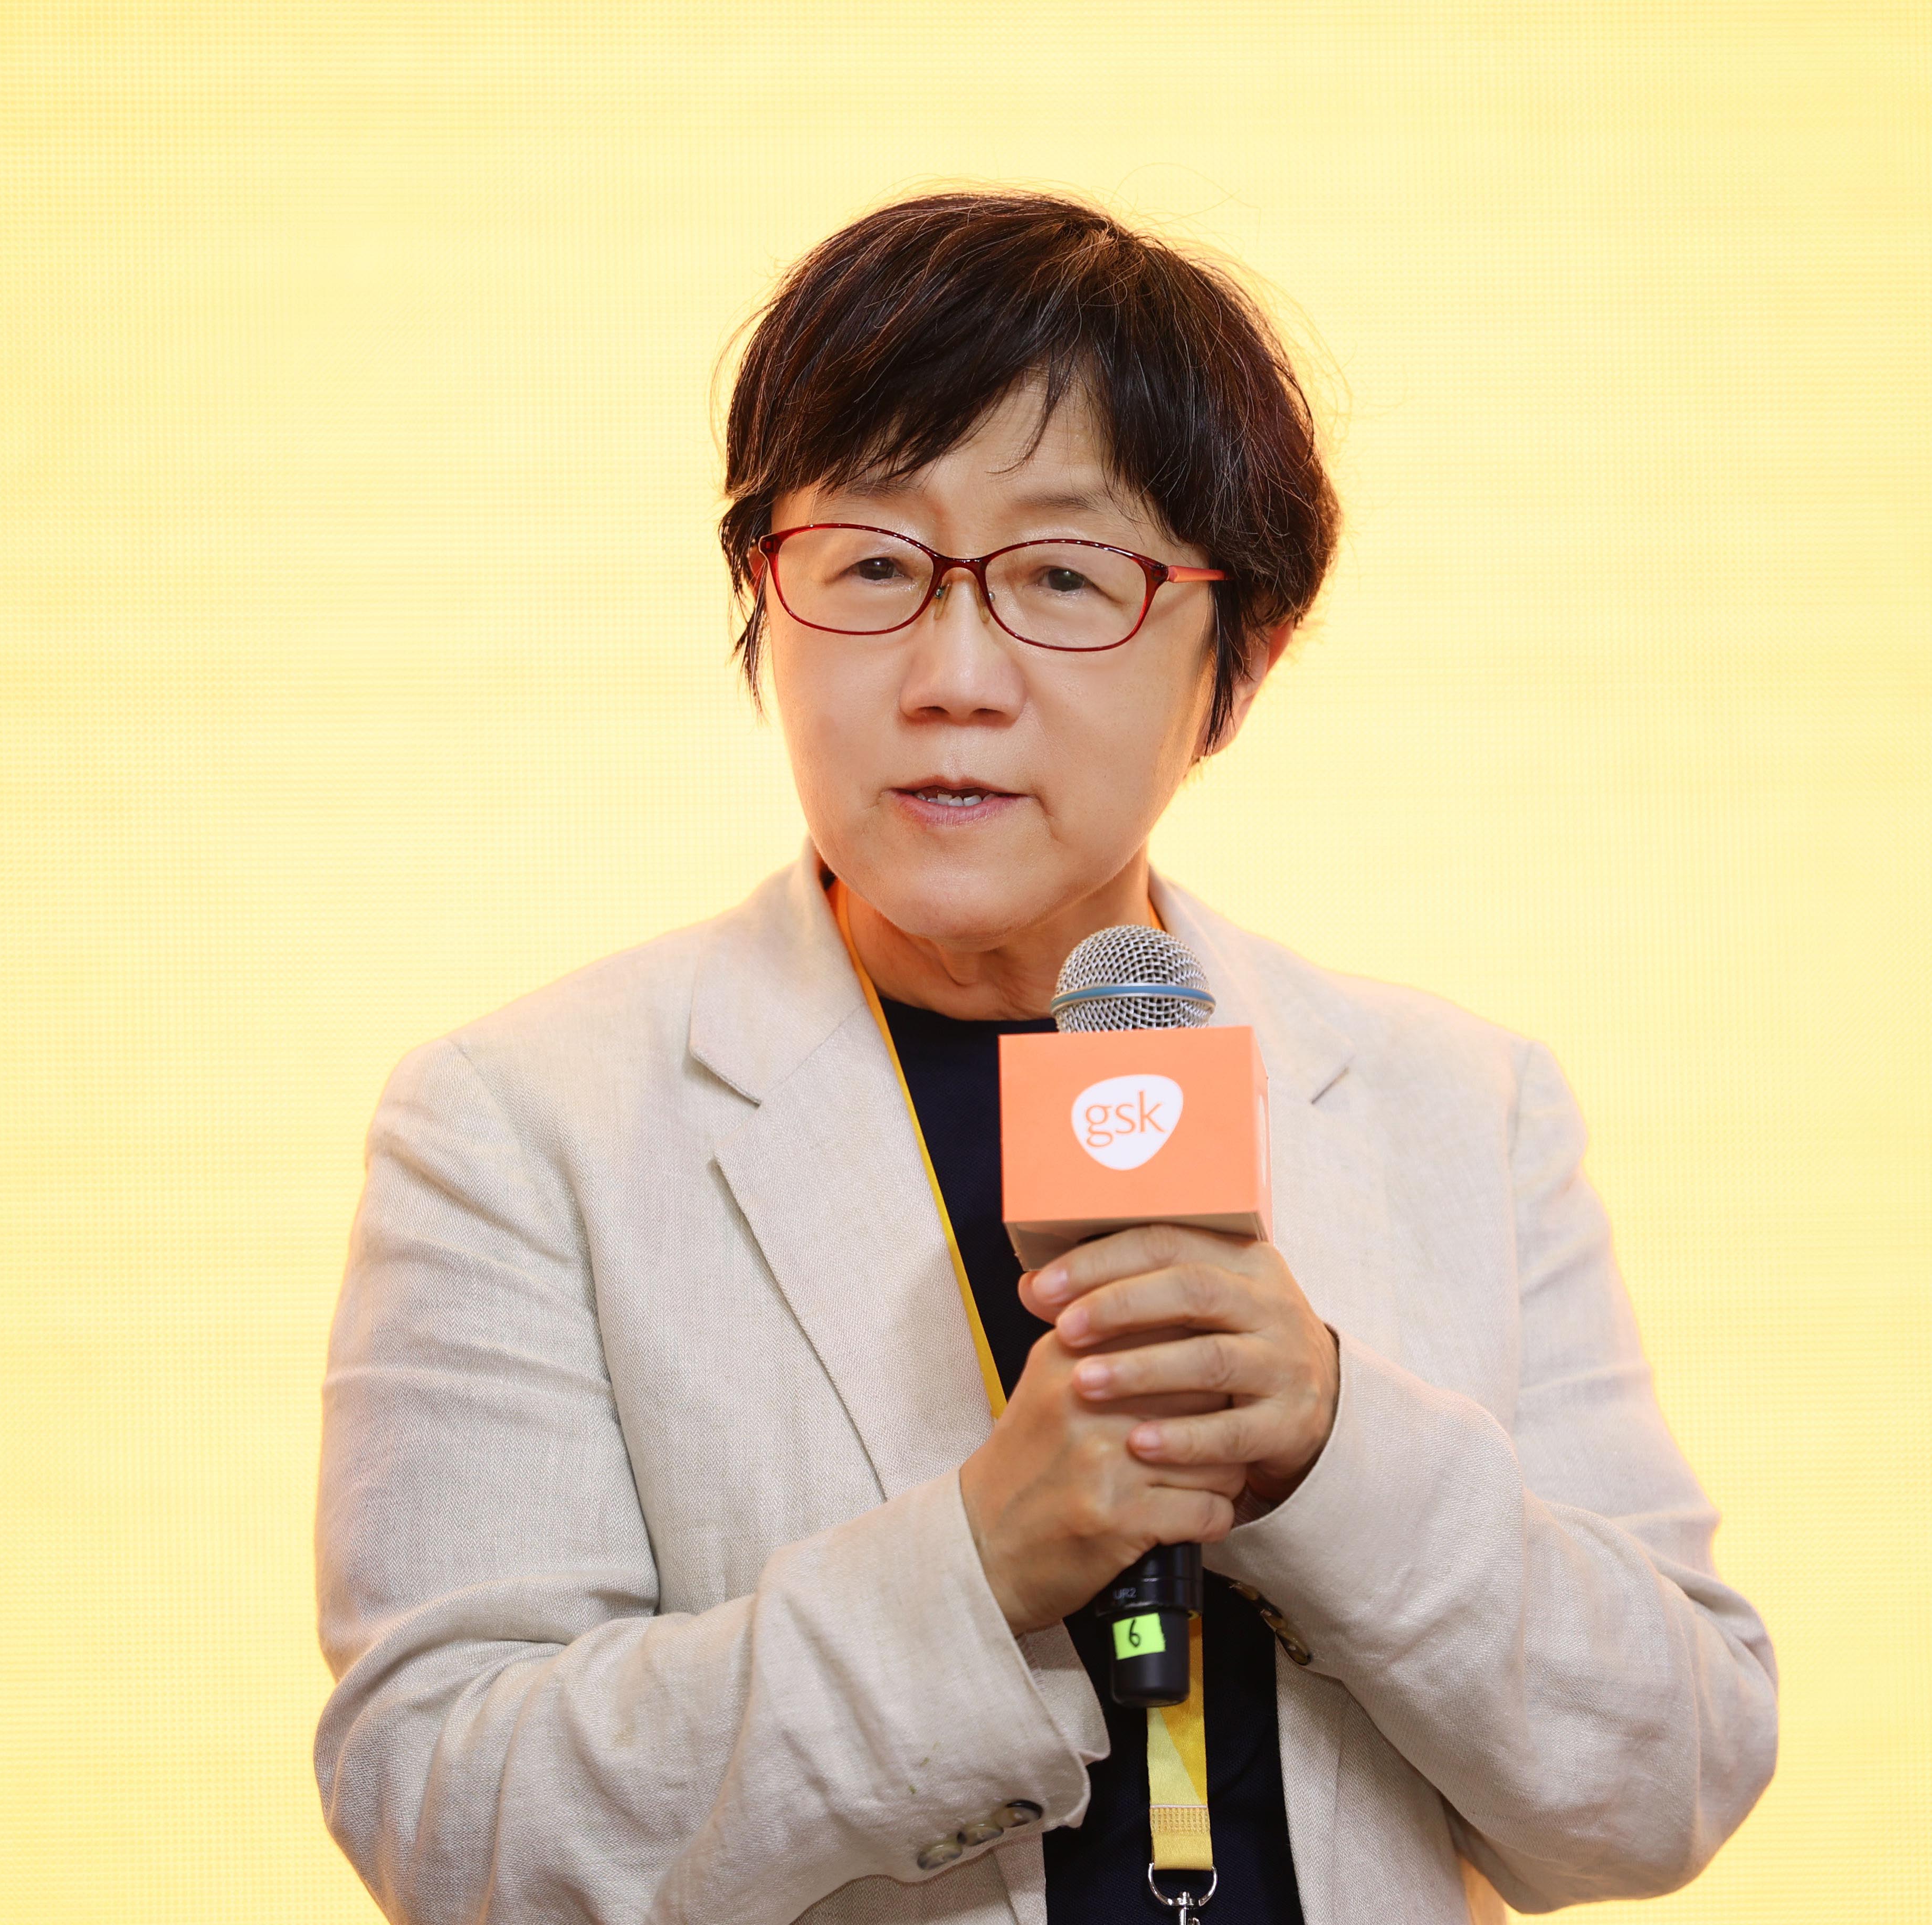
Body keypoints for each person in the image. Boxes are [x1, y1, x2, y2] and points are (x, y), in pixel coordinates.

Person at [312, 189, 1777, 1925]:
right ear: (763, 598)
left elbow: (1666, 1784)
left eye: (1064, 579)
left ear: (1241, 660)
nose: (953, 676)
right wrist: (976, 1564)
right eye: (873, 566)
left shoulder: (1457, 1110)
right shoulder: (526, 1128)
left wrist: (1331, 1444)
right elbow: (450, 1819)